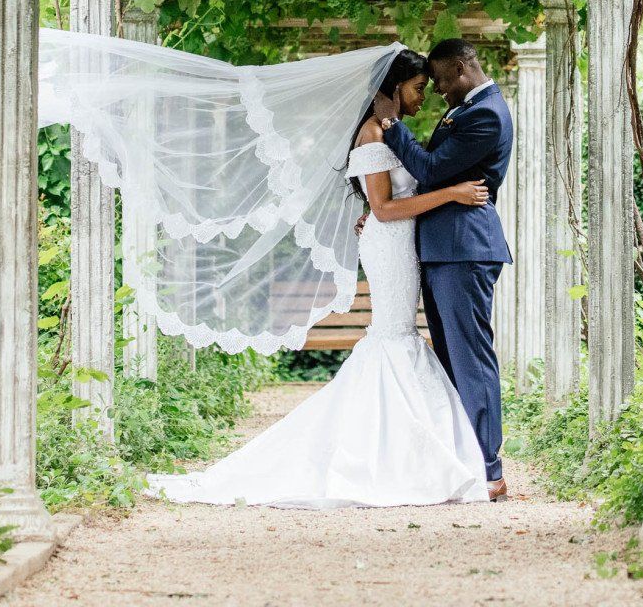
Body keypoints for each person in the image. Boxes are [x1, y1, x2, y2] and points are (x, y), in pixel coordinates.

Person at [148, 49, 494, 507]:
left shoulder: (387, 133)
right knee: (394, 336)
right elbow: (387, 208)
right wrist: (450, 193)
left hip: (399, 243)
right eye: (416, 88)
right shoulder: (372, 135)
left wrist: (388, 204)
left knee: (399, 336)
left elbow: (386, 201)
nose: (423, 97)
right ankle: (393, 452)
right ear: (390, 90)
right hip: (391, 245)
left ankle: (403, 447)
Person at [370, 37, 515, 501]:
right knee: (452, 360)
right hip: (441, 247)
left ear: (460, 68)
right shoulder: (470, 110)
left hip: (464, 248)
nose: (437, 93)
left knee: (471, 358)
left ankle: (489, 468)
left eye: (439, 81)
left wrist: (392, 128)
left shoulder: (487, 114)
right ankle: (465, 460)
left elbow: (431, 170)